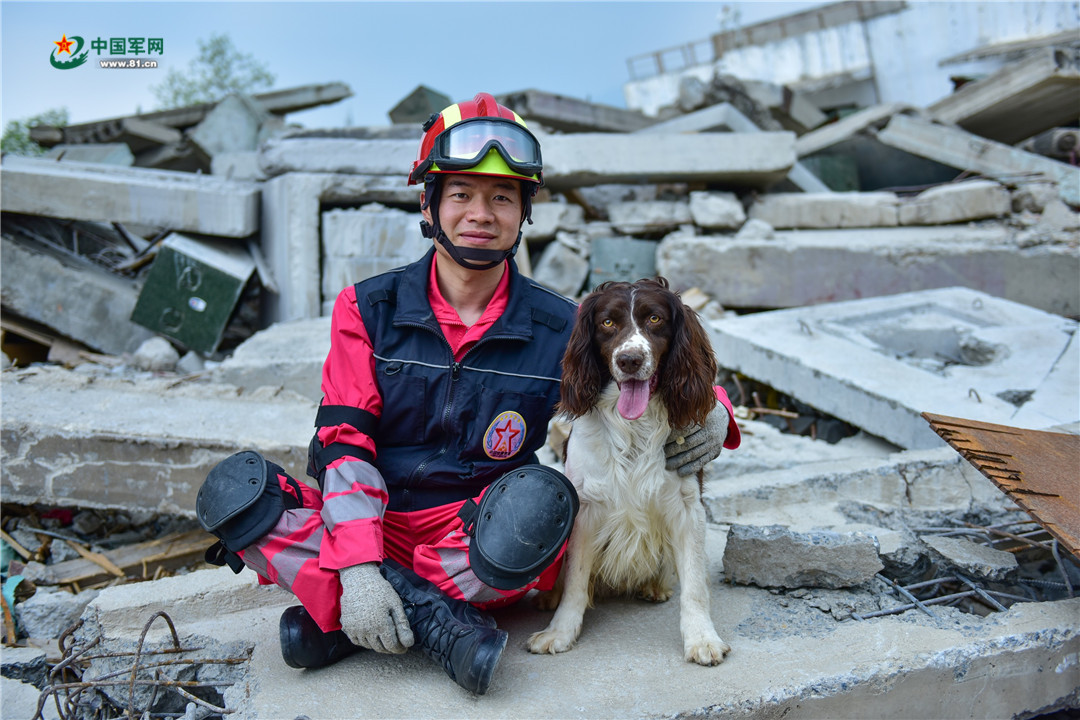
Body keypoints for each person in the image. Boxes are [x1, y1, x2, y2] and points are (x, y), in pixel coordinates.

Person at [195, 92, 739, 695]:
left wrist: (718, 413)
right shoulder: (366, 308)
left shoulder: (561, 325)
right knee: (238, 498)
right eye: (460, 194)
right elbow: (344, 442)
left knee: (542, 505)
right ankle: (435, 624)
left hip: (473, 536)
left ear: (524, 213)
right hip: (370, 520)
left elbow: (653, 373)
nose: (480, 213)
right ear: (428, 205)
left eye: (502, 197)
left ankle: (338, 620)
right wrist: (358, 568)